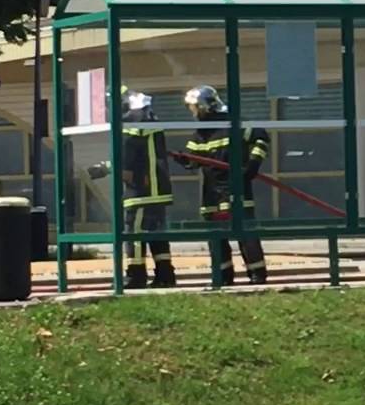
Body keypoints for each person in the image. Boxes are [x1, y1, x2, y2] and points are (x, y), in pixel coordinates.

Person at [179, 86, 270, 285]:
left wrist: (253, 164)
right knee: (216, 237)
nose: (193, 112)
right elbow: (193, 158)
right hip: (211, 192)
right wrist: (184, 160)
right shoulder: (201, 133)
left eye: (194, 108)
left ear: (204, 106)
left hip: (236, 188)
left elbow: (261, 138)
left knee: (245, 233)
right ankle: (223, 277)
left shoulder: (232, 123)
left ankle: (257, 274)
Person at [88, 86, 177, 289]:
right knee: (156, 234)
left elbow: (127, 161)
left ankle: (136, 276)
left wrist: (104, 169)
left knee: (134, 232)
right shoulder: (148, 120)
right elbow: (137, 158)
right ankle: (165, 274)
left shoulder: (131, 123)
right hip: (157, 189)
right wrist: (105, 168)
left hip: (140, 191)